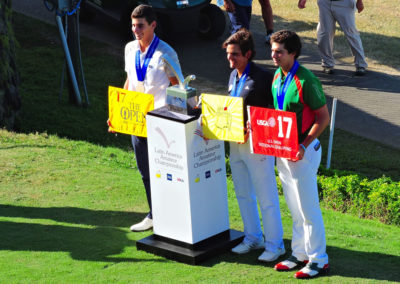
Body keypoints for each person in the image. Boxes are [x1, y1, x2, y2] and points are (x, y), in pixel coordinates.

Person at [269, 30, 330, 279]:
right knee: (294, 208)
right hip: (284, 150)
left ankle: (319, 259)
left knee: (308, 209)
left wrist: (303, 145)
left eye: (279, 52)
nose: (273, 55)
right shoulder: (277, 75)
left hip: (303, 151)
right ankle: (299, 253)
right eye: (272, 50)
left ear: (293, 53)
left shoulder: (305, 80)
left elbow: (323, 117)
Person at [222, 29, 285, 262]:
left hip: (258, 145)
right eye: (229, 54)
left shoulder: (264, 77)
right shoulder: (233, 76)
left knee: (266, 196)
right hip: (235, 143)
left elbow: (277, 111)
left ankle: (275, 244)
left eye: (235, 54)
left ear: (248, 54)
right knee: (243, 193)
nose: (230, 58)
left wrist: (256, 127)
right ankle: (253, 237)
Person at [124, 4, 181, 232]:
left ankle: (173, 215)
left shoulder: (166, 53)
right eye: (133, 26)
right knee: (144, 170)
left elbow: (179, 85)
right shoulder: (129, 49)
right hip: (137, 120)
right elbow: (129, 81)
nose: (136, 30)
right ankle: (154, 214)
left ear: (153, 25)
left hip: (162, 122)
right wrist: (118, 114)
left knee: (167, 171)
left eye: (140, 26)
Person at [298, 0, 368, 75]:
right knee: (324, 33)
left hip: (345, 3)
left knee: (351, 33)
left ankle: (360, 65)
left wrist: (359, 1)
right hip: (325, 3)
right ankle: (327, 64)